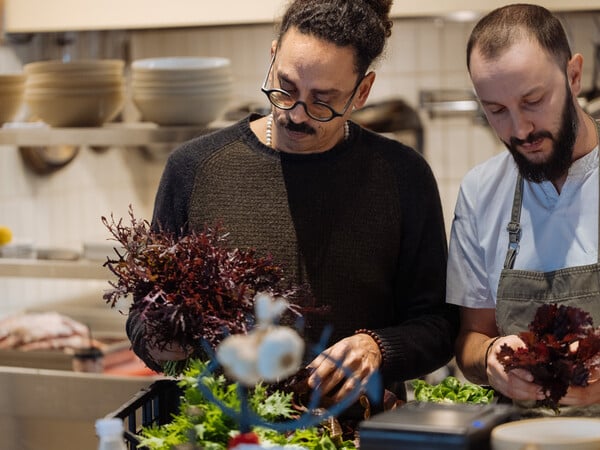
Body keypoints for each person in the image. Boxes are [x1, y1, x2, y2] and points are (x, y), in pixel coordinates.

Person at [127, 0, 458, 405]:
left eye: (322, 100)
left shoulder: (402, 176)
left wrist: (377, 347)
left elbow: (439, 327)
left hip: (357, 430)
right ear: (272, 58)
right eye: (285, 87)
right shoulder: (194, 168)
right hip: (231, 431)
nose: (296, 114)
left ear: (363, 91)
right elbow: (143, 318)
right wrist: (163, 342)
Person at [447, 3, 600, 407]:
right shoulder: (481, 192)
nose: (520, 130)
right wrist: (491, 357)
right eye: (496, 111)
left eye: (533, 100)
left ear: (573, 75)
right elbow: (470, 341)